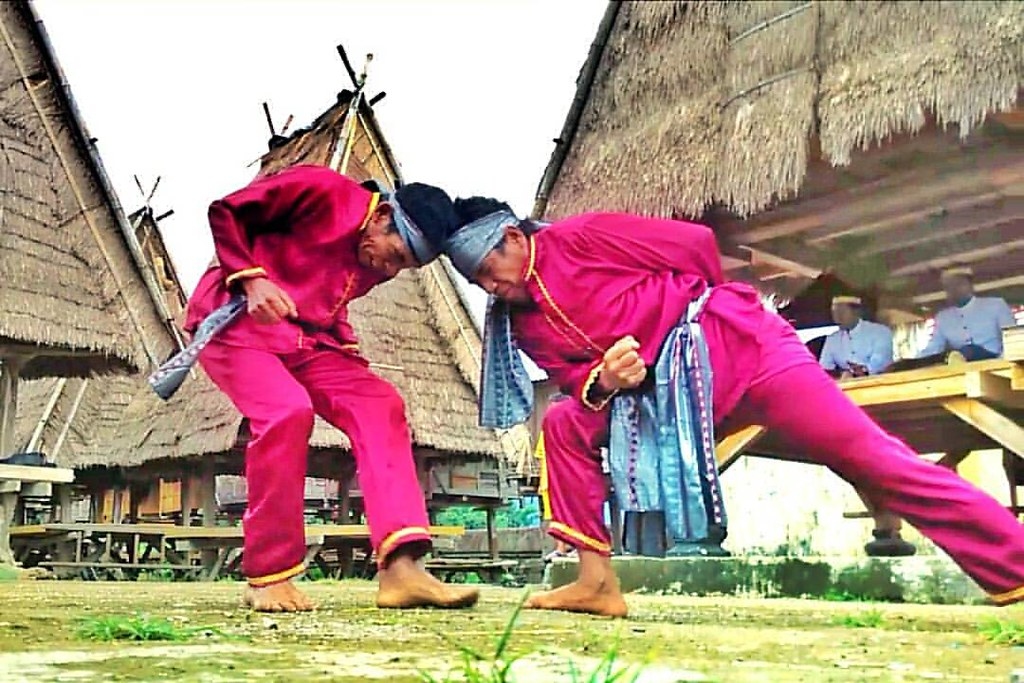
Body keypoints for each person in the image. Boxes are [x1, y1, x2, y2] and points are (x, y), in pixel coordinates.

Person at [439, 199, 1024, 617]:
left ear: (515, 239)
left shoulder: (583, 237)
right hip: (659, 404)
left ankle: (1014, 564)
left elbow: (693, 248)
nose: (492, 287)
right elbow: (571, 383)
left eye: (492, 271)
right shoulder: (521, 320)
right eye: (479, 282)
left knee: (869, 456)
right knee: (566, 423)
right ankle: (595, 582)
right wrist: (602, 380)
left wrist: (694, 325)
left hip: (747, 353)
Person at [185, 164, 480, 612]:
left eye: (404, 265)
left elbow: (327, 292)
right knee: (287, 411)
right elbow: (226, 212)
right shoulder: (320, 189)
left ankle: (401, 568)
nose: (392, 269)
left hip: (304, 339)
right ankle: (267, 576)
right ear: (381, 217)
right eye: (396, 255)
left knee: (380, 403)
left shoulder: (373, 259)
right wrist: (252, 278)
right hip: (233, 320)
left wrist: (341, 340)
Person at [818, 297, 914, 557]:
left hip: (878, 396)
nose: (835, 315)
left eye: (840, 310)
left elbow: (881, 363)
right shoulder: (832, 339)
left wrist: (861, 372)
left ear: (855, 310)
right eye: (832, 310)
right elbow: (823, 368)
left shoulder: (878, 332)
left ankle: (888, 521)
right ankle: (886, 524)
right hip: (843, 399)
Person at [919, 267, 1016, 362]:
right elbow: (934, 347)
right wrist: (912, 362)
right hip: (962, 366)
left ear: (970, 285)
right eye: (949, 286)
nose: (954, 289)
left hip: (997, 362)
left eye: (959, 284)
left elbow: (1013, 338)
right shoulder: (943, 317)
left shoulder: (995, 305)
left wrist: (1002, 362)